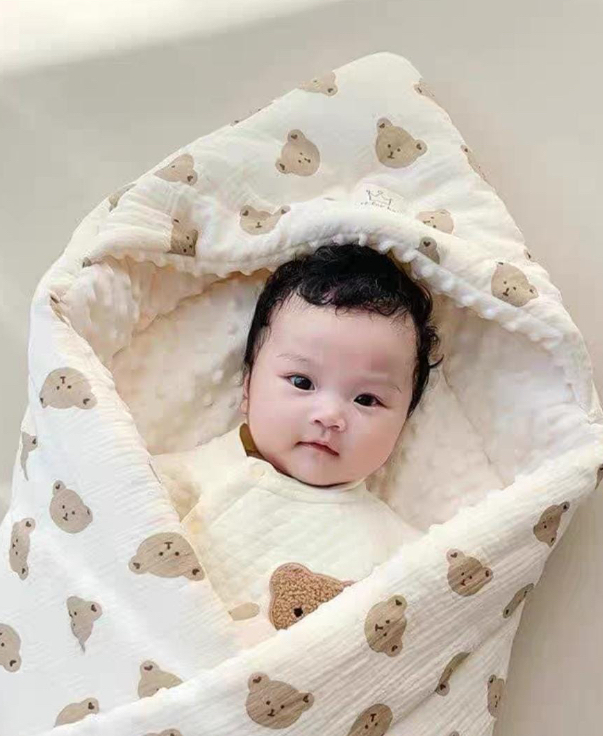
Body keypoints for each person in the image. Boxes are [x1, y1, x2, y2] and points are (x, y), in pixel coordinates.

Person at [150, 243, 441, 648]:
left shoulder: (405, 552)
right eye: (302, 382)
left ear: (403, 422)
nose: (330, 415)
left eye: (367, 399)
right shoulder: (180, 478)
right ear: (248, 388)